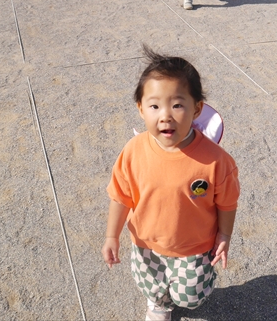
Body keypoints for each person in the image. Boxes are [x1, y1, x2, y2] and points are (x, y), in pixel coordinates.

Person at [101, 46, 240, 321]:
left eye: (177, 105)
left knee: (191, 297)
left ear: (197, 108)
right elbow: (120, 196)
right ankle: (159, 305)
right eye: (154, 106)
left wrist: (224, 235)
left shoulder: (216, 160)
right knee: (151, 286)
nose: (165, 115)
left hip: (195, 247)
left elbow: (227, 203)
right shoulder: (133, 151)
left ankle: (195, 287)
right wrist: (111, 236)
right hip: (146, 244)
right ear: (141, 109)